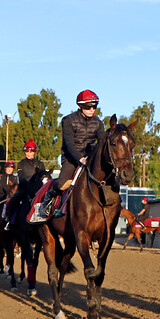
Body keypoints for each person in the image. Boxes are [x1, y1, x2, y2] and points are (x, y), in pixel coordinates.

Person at [32, 89, 105, 223]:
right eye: (88, 106)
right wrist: (80, 158)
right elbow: (69, 144)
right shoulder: (68, 120)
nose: (92, 109)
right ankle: (48, 199)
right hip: (71, 159)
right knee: (62, 183)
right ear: (80, 106)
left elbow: (101, 142)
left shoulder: (99, 123)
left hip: (90, 159)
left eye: (95, 106)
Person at [6, 139, 47, 229]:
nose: (28, 154)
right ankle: (9, 222)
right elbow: (21, 177)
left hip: (37, 189)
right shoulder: (21, 163)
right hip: (24, 188)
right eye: (26, 152)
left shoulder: (40, 164)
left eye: (30, 152)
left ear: (34, 152)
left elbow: (43, 177)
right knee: (13, 201)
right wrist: (28, 186)